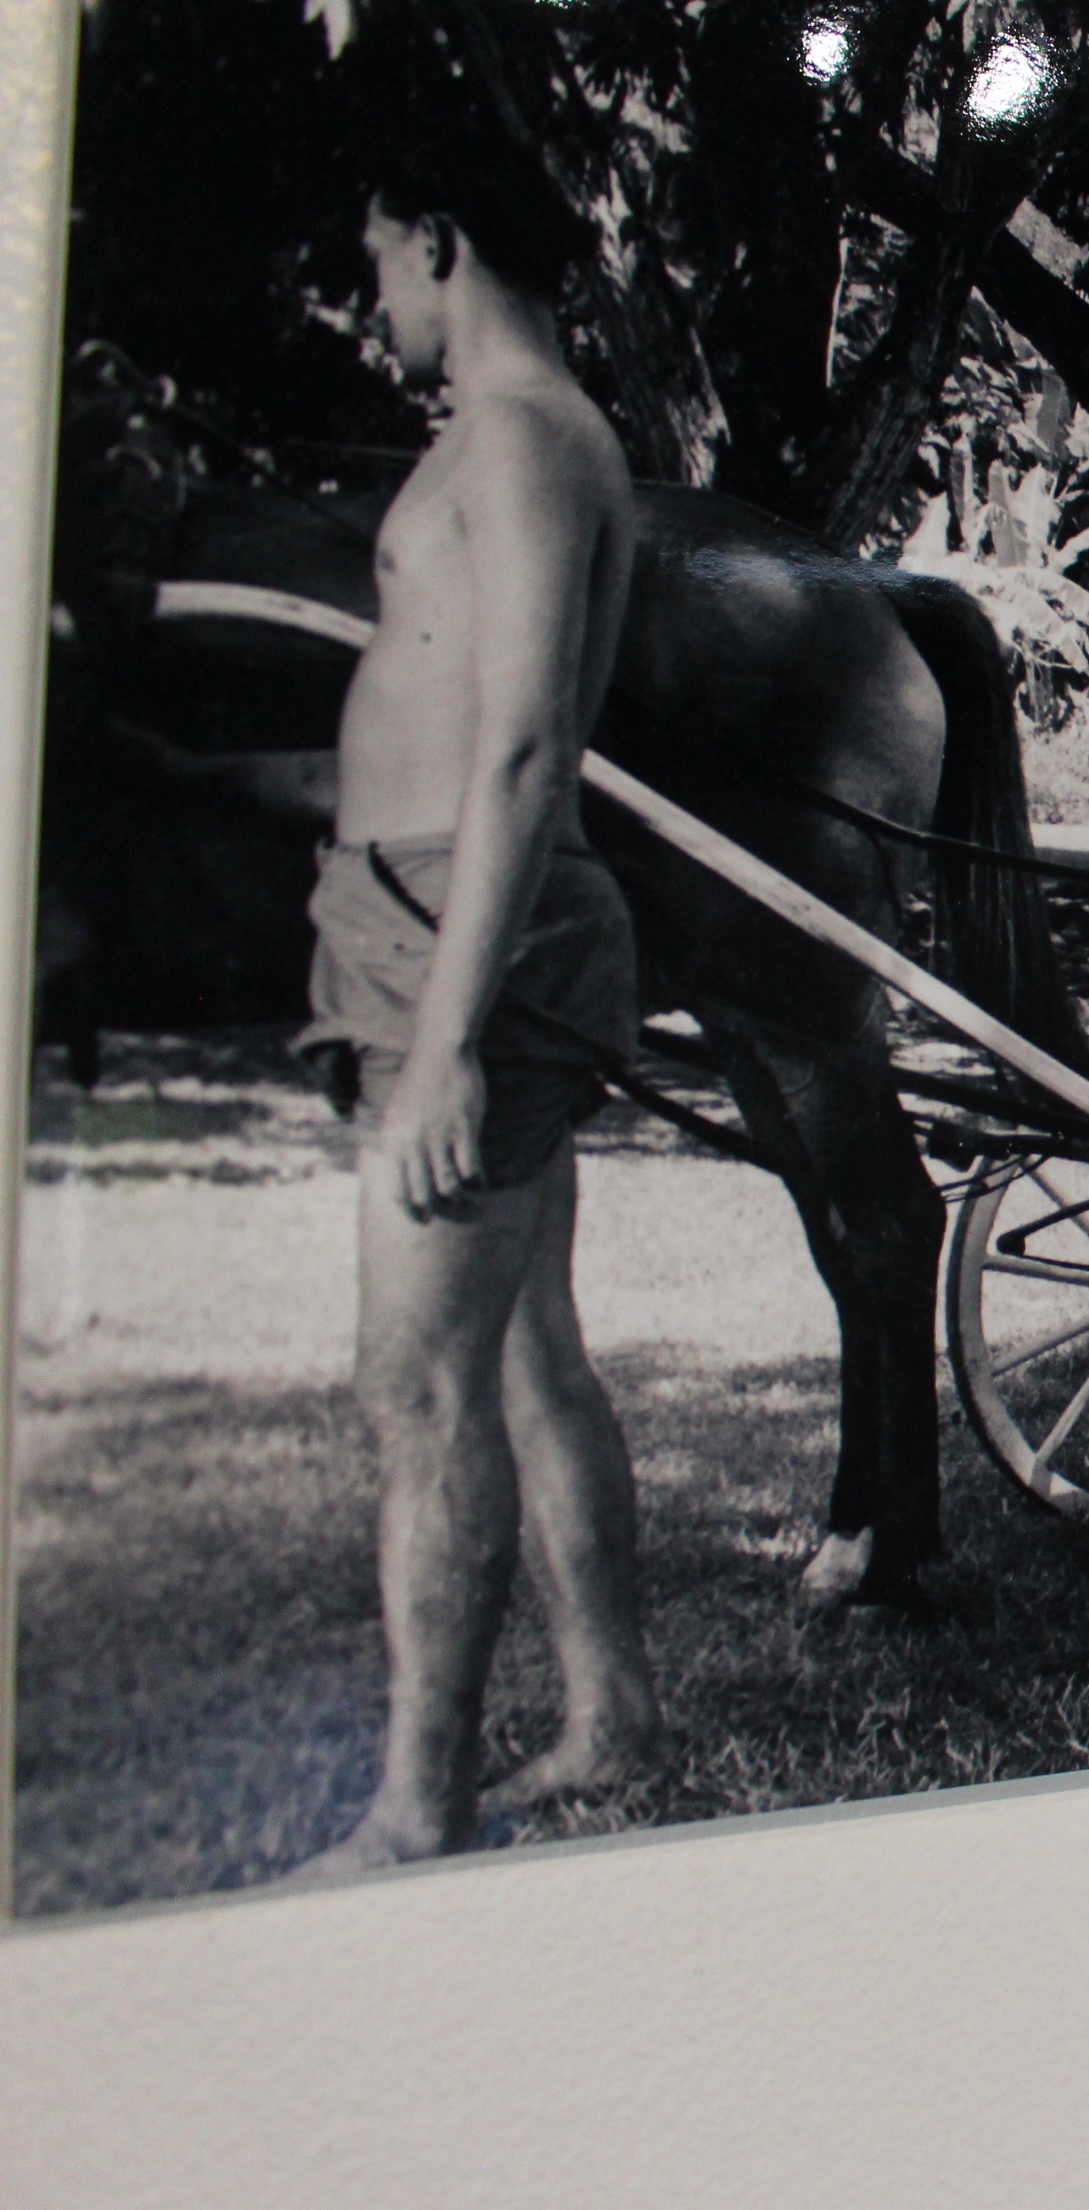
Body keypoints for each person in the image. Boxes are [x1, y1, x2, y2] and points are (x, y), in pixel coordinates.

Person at [287, 151, 660, 1871]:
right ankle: (612, 1718)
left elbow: (518, 738)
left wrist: (444, 1029)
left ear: (437, 237)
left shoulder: (521, 432)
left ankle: (414, 1813)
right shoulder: (527, 429)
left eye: (382, 260)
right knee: (524, 1355)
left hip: (471, 932)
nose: (379, 300)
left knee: (414, 1382)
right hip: (437, 909)